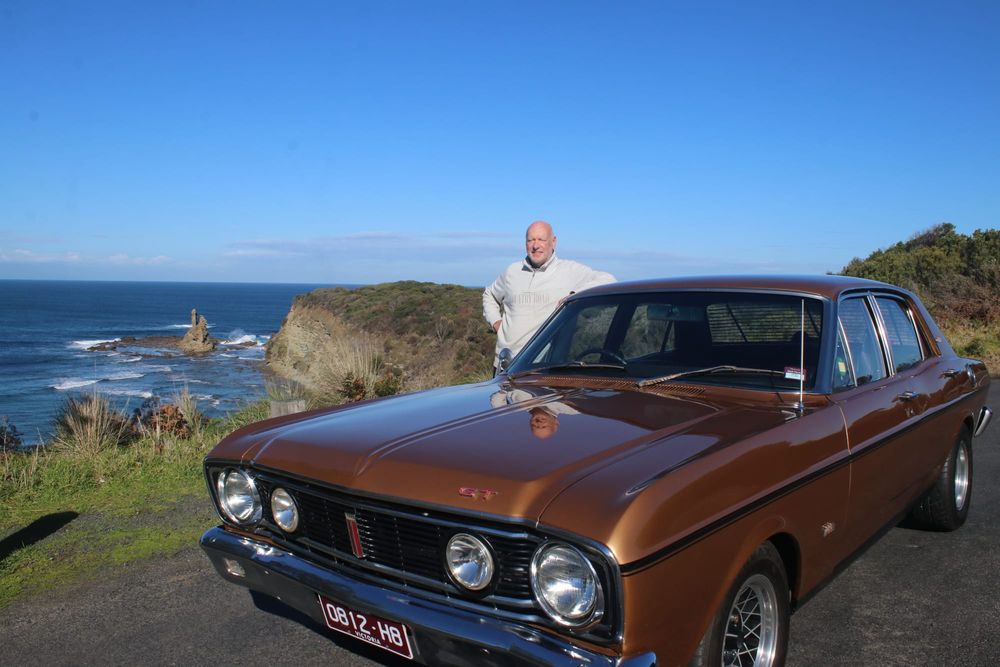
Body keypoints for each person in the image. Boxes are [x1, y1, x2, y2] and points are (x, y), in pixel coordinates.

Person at [482, 220, 615, 369]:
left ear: (553, 242)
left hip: (541, 367)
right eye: (531, 240)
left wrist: (574, 295)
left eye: (541, 240)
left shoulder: (568, 270)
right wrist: (497, 324)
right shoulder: (512, 271)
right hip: (504, 365)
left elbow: (608, 279)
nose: (535, 245)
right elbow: (490, 295)